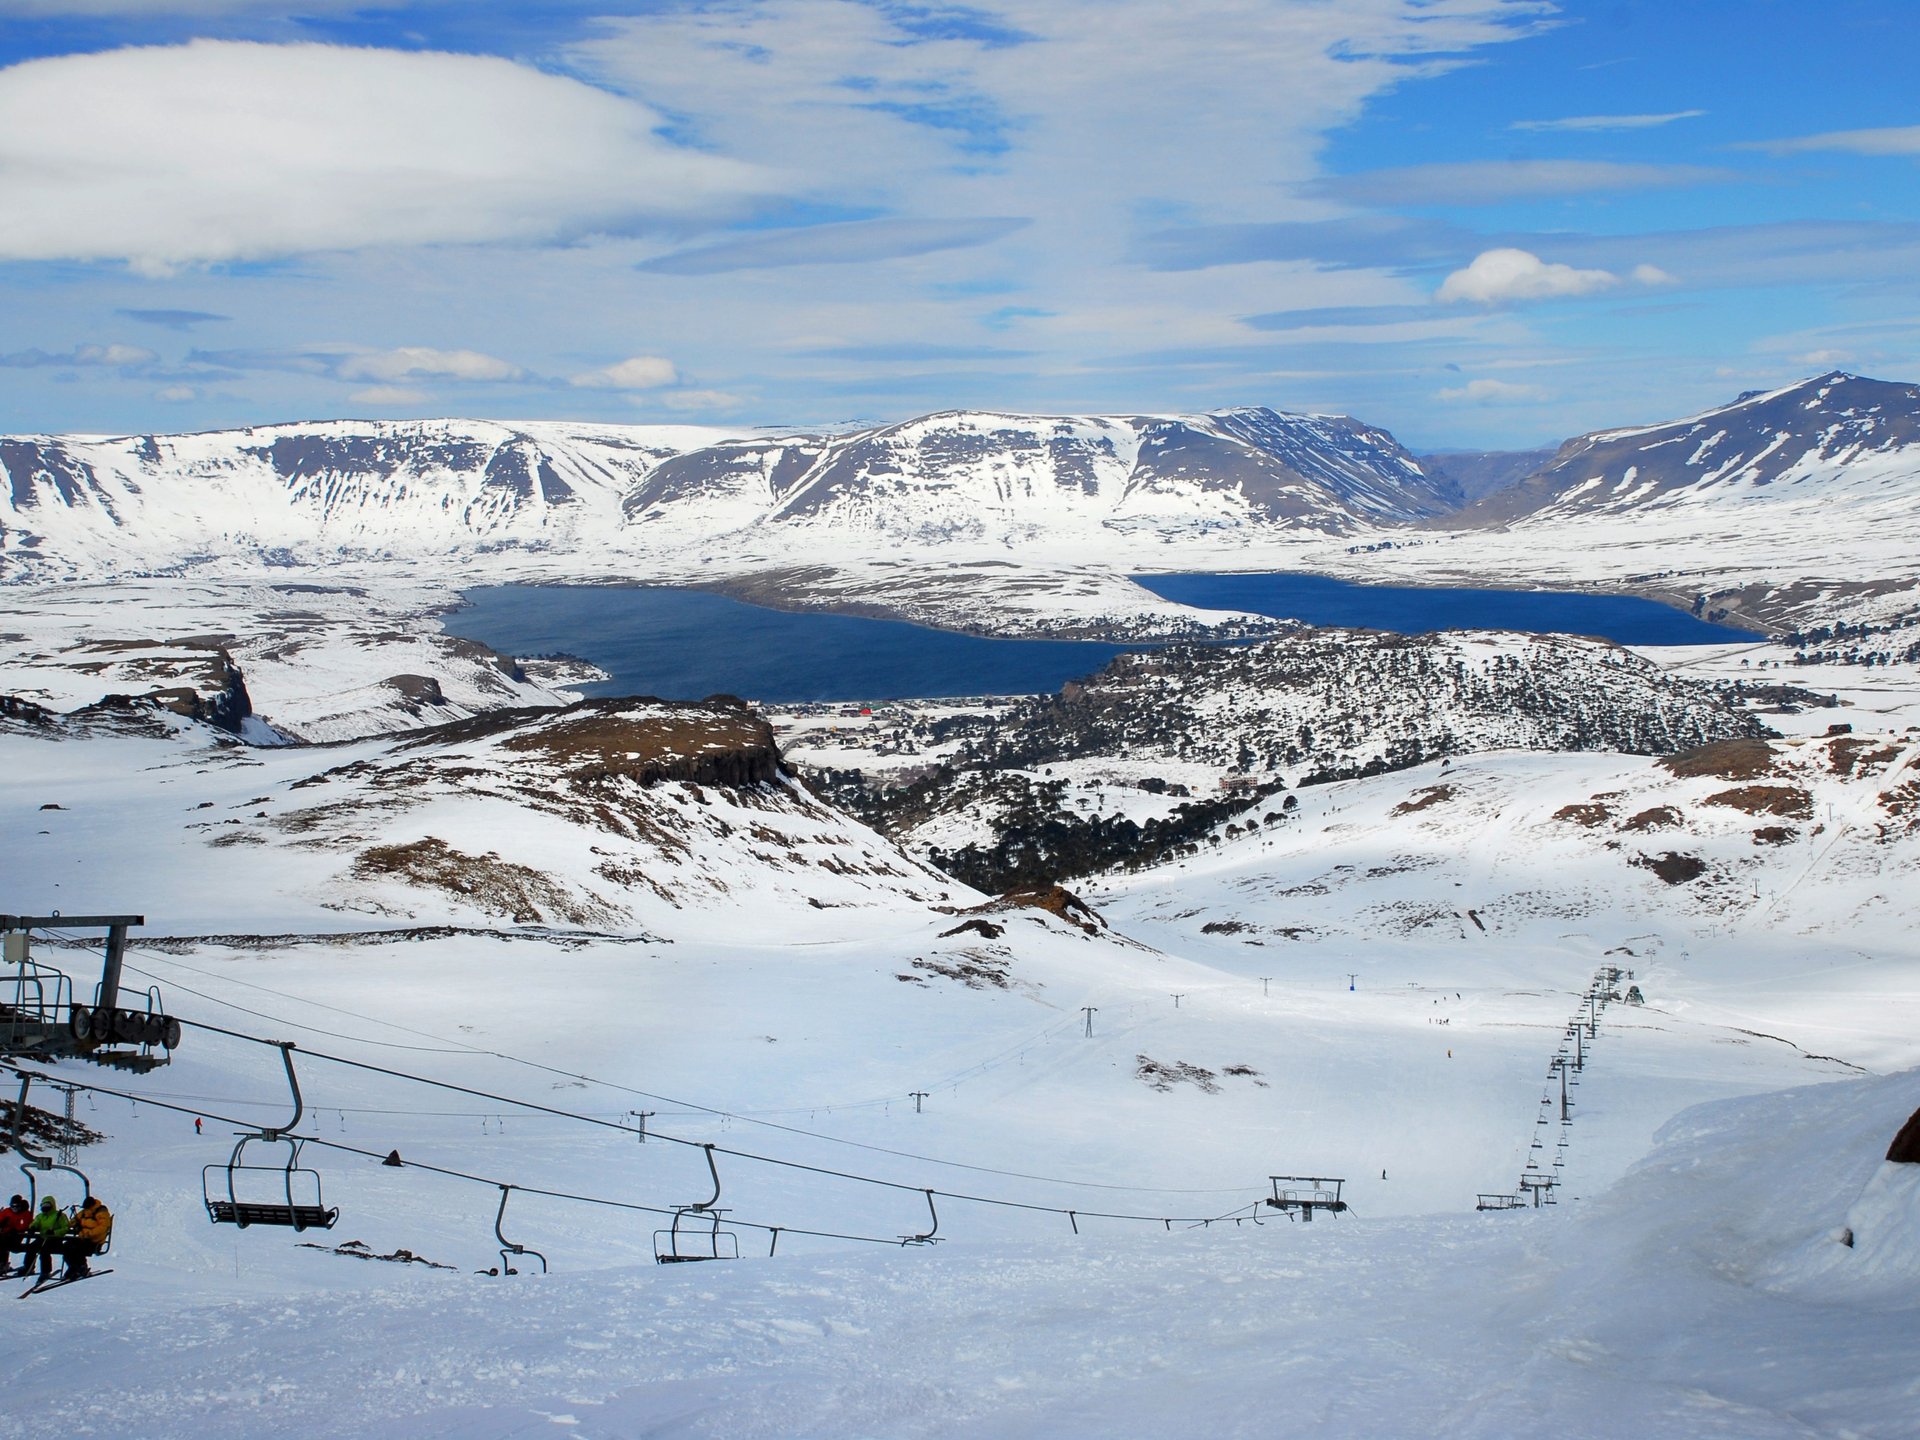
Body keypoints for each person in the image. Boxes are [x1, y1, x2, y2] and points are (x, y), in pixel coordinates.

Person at [61, 1195, 111, 1279]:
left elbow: (102, 1228)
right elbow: (74, 1220)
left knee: (76, 1248)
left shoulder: (101, 1213)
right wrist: (73, 1224)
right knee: (67, 1246)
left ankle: (81, 1267)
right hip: (84, 1238)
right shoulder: (85, 1212)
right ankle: (73, 1267)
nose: (86, 1210)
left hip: (94, 1241)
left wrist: (89, 1233)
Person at [25, 1195, 68, 1282]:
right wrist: (33, 1227)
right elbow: (36, 1222)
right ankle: (28, 1267)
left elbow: (65, 1228)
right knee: (31, 1247)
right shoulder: (41, 1216)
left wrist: (54, 1232)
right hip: (43, 1237)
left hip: (55, 1239)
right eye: (44, 1206)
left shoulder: (59, 1216)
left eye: (47, 1206)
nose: (45, 1208)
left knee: (44, 1250)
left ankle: (45, 1271)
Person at [0, 1195, 30, 1276]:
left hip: (16, 1237)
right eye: (13, 1206)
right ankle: (2, 1263)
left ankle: (3, 1264)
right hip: (5, 1235)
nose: (15, 1209)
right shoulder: (7, 1212)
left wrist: (16, 1229)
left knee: (4, 1242)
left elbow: (26, 1224)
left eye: (17, 1207)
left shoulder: (25, 1213)